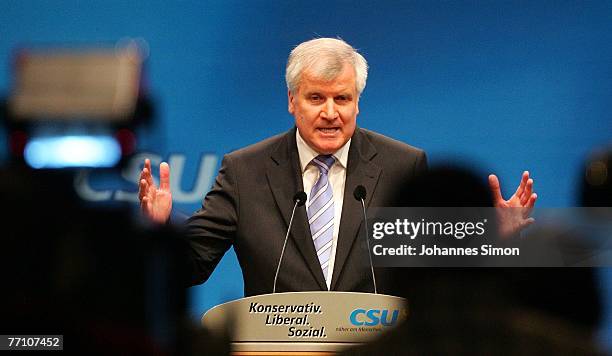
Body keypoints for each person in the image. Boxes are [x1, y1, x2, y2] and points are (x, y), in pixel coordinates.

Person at [138, 38, 537, 296]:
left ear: (357, 102)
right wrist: (158, 233)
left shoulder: (404, 166)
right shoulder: (245, 171)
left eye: (342, 99)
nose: (331, 113)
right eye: (316, 98)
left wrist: (493, 242)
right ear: (292, 100)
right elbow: (188, 268)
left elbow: (441, 277)